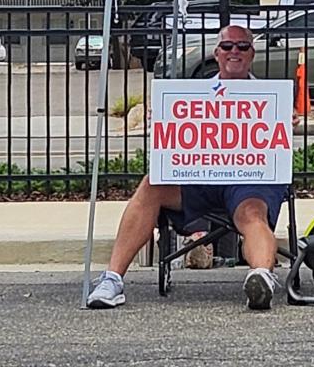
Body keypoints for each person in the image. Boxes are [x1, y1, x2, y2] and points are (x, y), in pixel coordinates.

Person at [87, 24, 287, 310]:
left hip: (249, 178)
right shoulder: (193, 94)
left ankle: (261, 278)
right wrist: (163, 120)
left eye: (242, 46)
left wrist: (288, 122)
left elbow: (277, 143)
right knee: (151, 185)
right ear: (217, 53)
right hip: (200, 176)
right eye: (228, 46)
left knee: (252, 213)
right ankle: (112, 280)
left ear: (252, 54)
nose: (235, 51)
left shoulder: (271, 97)